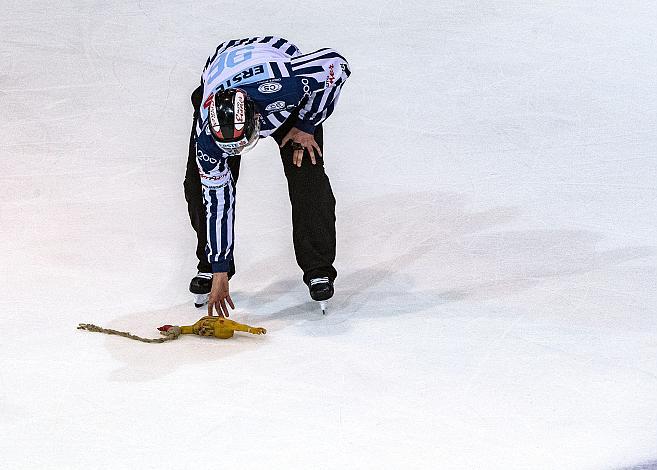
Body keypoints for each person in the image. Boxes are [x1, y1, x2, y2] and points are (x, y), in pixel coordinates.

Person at [183, 36, 351, 317]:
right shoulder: (207, 141)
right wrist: (220, 268)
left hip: (274, 83)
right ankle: (209, 263)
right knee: (199, 187)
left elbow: (335, 65)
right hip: (222, 80)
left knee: (308, 176)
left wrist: (306, 124)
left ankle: (318, 269)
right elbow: (219, 202)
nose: (237, 152)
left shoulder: (287, 83)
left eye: (243, 142)